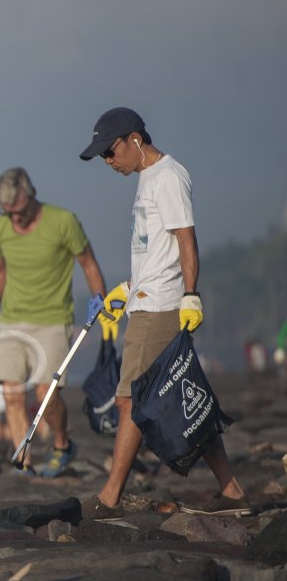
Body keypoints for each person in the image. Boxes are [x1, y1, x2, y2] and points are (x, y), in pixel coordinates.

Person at [79, 108, 246, 516]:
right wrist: (126, 290)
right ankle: (232, 489)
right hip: (146, 300)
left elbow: (186, 240)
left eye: (110, 152)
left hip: (161, 306)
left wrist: (191, 295)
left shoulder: (167, 176)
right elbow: (156, 249)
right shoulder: (147, 178)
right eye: (101, 156)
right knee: (176, 398)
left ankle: (109, 497)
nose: (108, 162)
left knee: (129, 401)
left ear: (134, 139)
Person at [0, 167, 107, 476]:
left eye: (19, 211)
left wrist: (100, 300)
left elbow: (87, 261)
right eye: (7, 212)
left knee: (45, 395)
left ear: (31, 195)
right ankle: (24, 464)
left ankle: (62, 445)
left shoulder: (62, 221)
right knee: (11, 393)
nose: (15, 219)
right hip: (11, 320)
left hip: (53, 319)